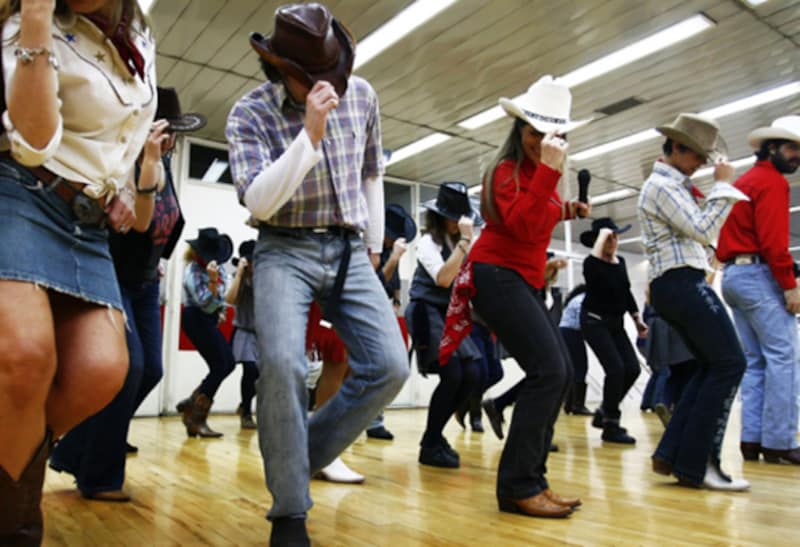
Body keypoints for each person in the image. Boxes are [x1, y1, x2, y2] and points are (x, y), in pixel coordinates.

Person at [225, 4, 408, 544]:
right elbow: (257, 199)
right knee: (280, 364)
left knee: (389, 366)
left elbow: (372, 172)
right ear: (285, 71)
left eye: (337, 74)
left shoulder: (364, 95)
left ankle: (294, 455)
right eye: (318, 79)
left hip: (350, 247)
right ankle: (289, 511)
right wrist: (309, 135)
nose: (334, 87)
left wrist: (373, 246)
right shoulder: (250, 113)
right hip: (283, 246)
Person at [0, 0, 155, 542]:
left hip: (86, 219)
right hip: (18, 188)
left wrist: (125, 180)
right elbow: (33, 141)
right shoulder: (23, 22)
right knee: (24, 357)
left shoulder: (138, 34)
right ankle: (19, 528)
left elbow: (129, 128)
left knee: (103, 370)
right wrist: (38, 20)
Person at [440, 75, 591, 518]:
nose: (540, 141)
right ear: (518, 131)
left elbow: (538, 214)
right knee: (548, 371)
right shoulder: (505, 171)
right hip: (496, 275)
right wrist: (549, 171)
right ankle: (517, 486)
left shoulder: (541, 173)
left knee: (559, 373)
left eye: (551, 134)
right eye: (533, 132)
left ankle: (534, 480)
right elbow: (522, 224)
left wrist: (568, 208)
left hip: (524, 279)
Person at [48, 86, 198, 501]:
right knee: (127, 367)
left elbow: (164, 230)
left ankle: (75, 450)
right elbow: (138, 224)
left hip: (146, 282)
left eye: (174, 133)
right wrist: (147, 160)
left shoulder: (164, 164)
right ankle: (99, 475)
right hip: (111, 273)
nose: (170, 140)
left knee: (150, 369)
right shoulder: (123, 162)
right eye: (165, 131)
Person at [637, 112, 750, 491]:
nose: (701, 164)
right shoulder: (661, 186)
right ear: (677, 147)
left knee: (709, 366)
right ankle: (701, 463)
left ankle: (673, 453)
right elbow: (703, 230)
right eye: (697, 156)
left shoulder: (673, 186)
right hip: (680, 281)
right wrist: (723, 186)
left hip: (677, 283)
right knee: (730, 362)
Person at [716, 115, 800, 465]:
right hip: (759, 275)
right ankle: (780, 441)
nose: (797, 155)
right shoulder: (772, 182)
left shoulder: (745, 182)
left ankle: (752, 440)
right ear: (771, 148)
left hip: (733, 276)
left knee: (755, 363)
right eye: (793, 148)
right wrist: (790, 286)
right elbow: (774, 242)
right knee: (785, 358)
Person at [406, 182, 483, 468]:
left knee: (474, 373)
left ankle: (435, 437)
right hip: (427, 311)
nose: (459, 222)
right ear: (440, 217)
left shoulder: (459, 243)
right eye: (453, 216)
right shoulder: (429, 243)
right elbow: (443, 278)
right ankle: (430, 442)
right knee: (452, 374)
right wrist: (465, 242)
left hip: (451, 313)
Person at [579, 218, 648, 444]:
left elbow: (626, 293)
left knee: (632, 369)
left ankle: (604, 411)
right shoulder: (592, 265)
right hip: (594, 321)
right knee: (616, 369)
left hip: (615, 323)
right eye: (609, 238)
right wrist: (602, 237)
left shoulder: (621, 263)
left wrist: (637, 319)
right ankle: (611, 424)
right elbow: (592, 267)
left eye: (616, 237)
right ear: (599, 241)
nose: (614, 242)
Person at [177, 227, 235, 438]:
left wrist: (217, 291)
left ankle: (194, 402)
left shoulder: (219, 270)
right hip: (195, 319)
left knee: (227, 363)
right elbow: (206, 303)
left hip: (208, 320)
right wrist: (212, 282)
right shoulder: (192, 271)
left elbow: (225, 297)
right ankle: (196, 417)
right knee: (221, 365)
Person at [367, 203, 418, 440]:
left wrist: (397, 301)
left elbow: (393, 283)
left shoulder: (388, 249)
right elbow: (373, 285)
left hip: (384, 310)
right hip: (364, 309)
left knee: (389, 367)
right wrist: (394, 258)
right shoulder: (369, 248)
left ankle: (374, 421)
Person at [226, 239, 260, 430]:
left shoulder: (264, 278)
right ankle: (246, 411)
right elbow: (230, 300)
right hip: (245, 332)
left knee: (262, 375)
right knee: (250, 370)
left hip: (263, 334)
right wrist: (239, 274)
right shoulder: (240, 281)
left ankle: (244, 403)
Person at [560, 284, 592, 416]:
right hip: (572, 333)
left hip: (566, 333)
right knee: (581, 367)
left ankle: (570, 404)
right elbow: (583, 320)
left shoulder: (576, 298)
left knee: (574, 368)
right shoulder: (583, 300)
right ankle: (577, 405)